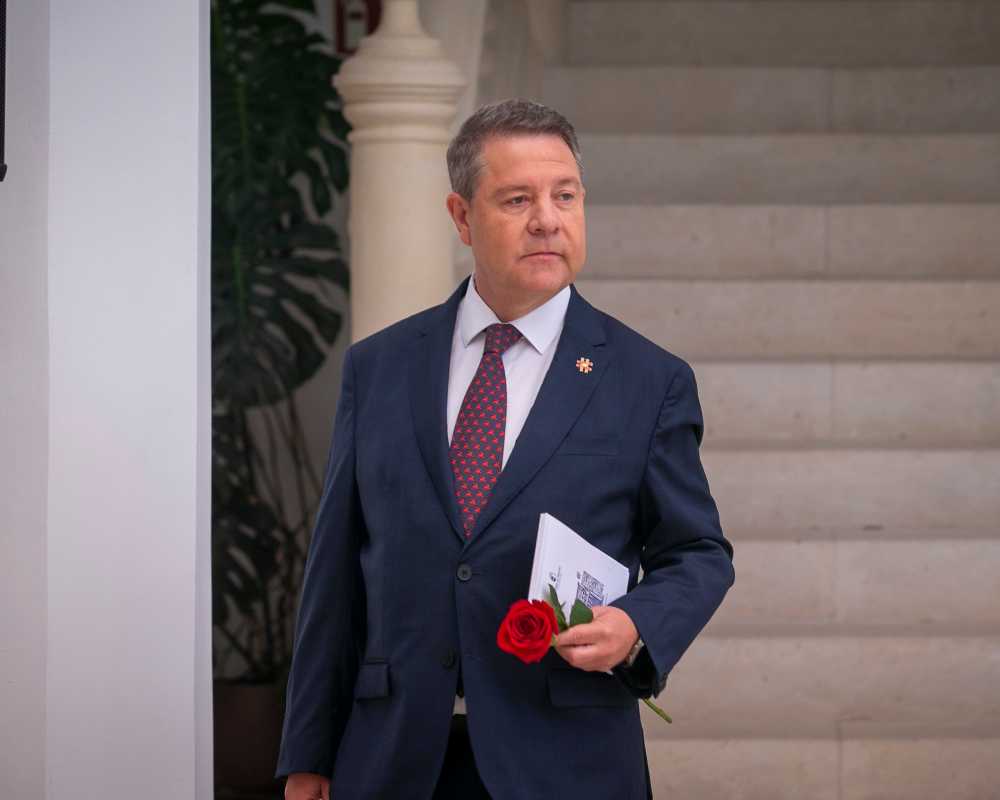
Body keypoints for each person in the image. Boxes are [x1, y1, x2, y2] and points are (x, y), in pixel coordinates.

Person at [276, 98, 735, 800]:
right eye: (517, 199)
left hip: (565, 758)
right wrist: (308, 756)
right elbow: (335, 573)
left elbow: (698, 552)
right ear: (461, 217)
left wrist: (635, 623)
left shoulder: (648, 380)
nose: (547, 220)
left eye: (565, 195)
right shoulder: (381, 368)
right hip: (394, 757)